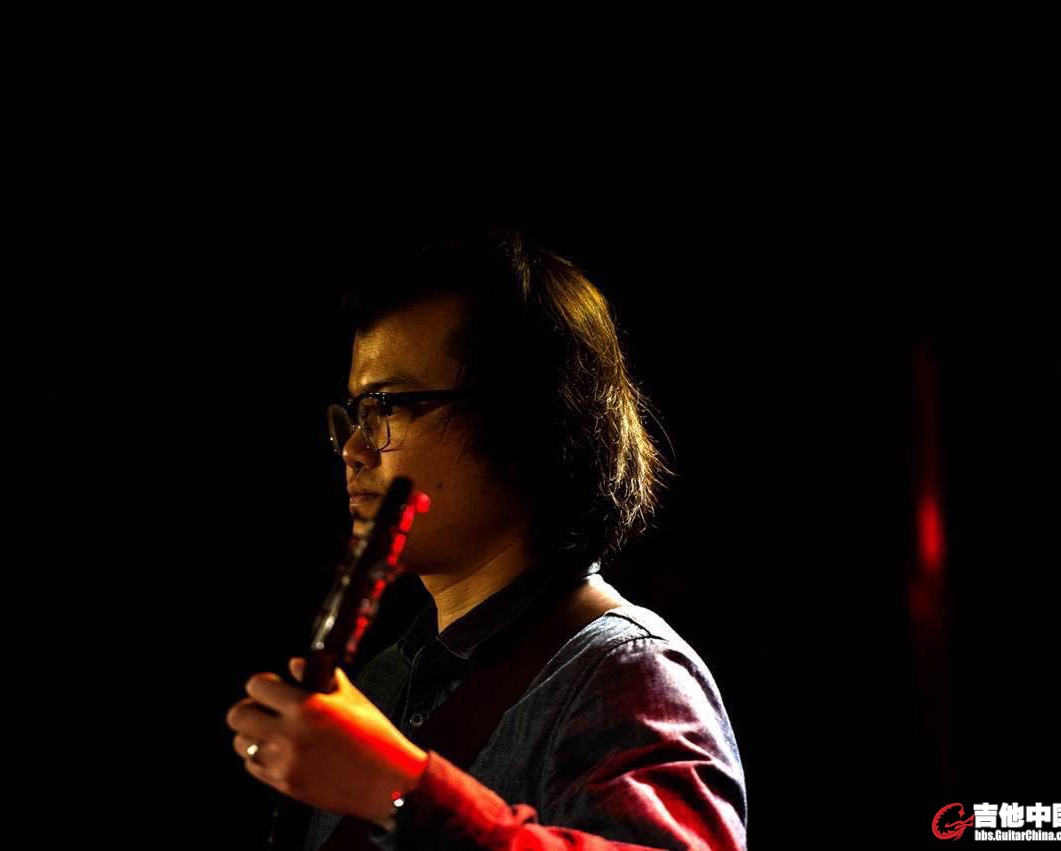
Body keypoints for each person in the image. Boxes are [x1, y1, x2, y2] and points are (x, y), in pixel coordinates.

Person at [226, 230, 747, 850]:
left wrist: (397, 788)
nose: (355, 449)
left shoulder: (628, 670)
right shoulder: (383, 679)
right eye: (356, 413)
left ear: (526, 419)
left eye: (388, 405)